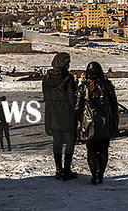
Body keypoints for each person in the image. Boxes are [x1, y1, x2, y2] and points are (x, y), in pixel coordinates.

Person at [76, 61, 119, 185]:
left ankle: (94, 175)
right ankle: (100, 175)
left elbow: (77, 108)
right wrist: (114, 124)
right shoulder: (107, 86)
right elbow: (114, 106)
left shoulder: (83, 87)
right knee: (103, 151)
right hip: (105, 125)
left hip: (89, 126)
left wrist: (79, 123)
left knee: (92, 152)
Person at [42, 52, 78, 181]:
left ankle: (58, 170)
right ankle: (66, 170)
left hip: (52, 112)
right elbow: (71, 98)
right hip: (66, 113)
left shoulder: (46, 78)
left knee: (57, 142)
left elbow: (45, 96)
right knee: (70, 142)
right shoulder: (68, 78)